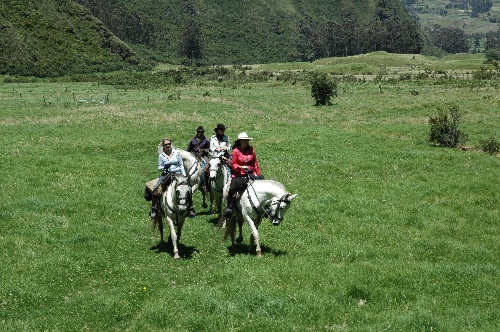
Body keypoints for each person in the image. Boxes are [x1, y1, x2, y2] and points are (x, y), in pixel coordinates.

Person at [150, 137, 195, 218]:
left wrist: (184, 175)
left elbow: (181, 164)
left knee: (189, 189)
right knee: (156, 190)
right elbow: (159, 168)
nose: (168, 146)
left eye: (169, 144)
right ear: (163, 146)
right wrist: (165, 167)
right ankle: (154, 208)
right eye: (166, 144)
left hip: (178, 174)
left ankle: (190, 208)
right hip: (167, 174)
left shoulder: (176, 153)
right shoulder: (161, 156)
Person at [223, 132, 261, 217]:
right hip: (238, 174)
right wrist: (241, 167)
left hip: (250, 173)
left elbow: (255, 163)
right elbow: (233, 164)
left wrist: (257, 174)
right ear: (240, 141)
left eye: (247, 140)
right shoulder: (236, 151)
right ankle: (229, 207)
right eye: (244, 140)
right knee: (232, 189)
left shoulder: (252, 149)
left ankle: (265, 207)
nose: (246, 142)